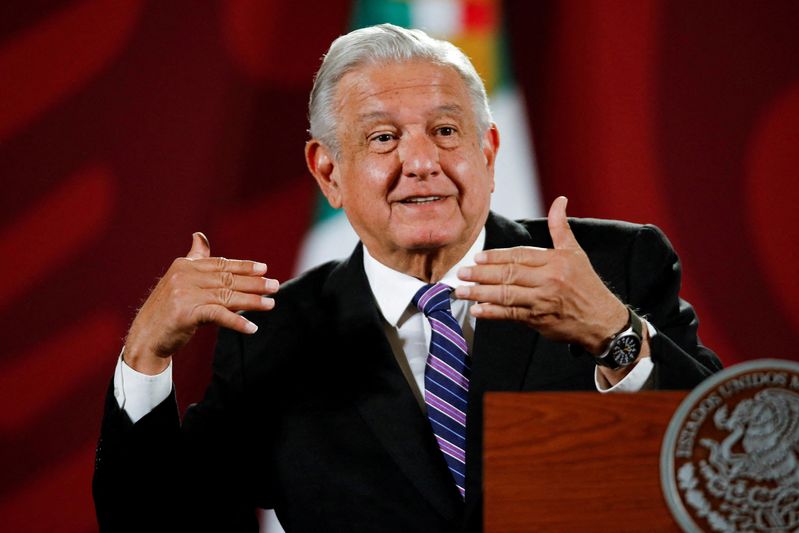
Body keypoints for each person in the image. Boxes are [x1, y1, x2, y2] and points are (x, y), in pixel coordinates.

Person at [93, 23, 721, 532]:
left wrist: (617, 334)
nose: (421, 162)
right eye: (384, 138)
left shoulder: (614, 270)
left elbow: (749, 476)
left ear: (489, 152)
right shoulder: (275, 337)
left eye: (446, 131)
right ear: (328, 172)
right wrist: (144, 355)